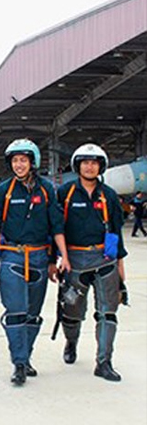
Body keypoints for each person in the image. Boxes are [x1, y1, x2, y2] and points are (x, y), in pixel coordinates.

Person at [0, 138, 70, 386]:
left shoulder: (47, 190)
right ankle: (19, 363)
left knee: (33, 315)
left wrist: (62, 257)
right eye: (15, 161)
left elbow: (56, 226)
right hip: (12, 256)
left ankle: (25, 357)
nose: (18, 165)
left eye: (23, 160)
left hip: (40, 258)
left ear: (33, 162)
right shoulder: (3, 192)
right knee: (16, 312)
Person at [57, 143, 127, 381]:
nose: (89, 167)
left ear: (100, 166)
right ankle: (71, 342)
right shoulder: (65, 193)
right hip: (75, 262)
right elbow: (55, 228)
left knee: (108, 313)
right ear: (78, 166)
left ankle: (104, 362)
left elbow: (116, 231)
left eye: (94, 163)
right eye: (85, 163)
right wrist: (56, 259)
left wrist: (120, 268)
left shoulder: (109, 195)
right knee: (72, 312)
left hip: (104, 261)